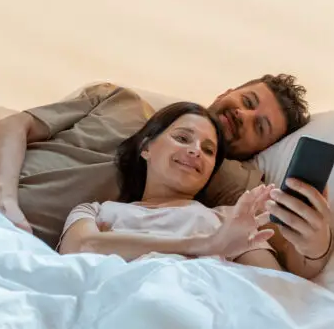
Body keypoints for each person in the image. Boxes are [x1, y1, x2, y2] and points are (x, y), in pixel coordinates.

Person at [0, 74, 334, 279]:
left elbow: (279, 258)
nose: (243, 115)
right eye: (247, 100)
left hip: (16, 257)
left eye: (260, 127)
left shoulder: (222, 183)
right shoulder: (119, 100)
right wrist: (1, 200)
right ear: (227, 91)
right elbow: (9, 127)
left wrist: (318, 245)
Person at [58, 101, 285, 271]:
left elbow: (275, 292)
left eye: (208, 150)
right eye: (183, 138)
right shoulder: (96, 211)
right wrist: (206, 244)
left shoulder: (229, 220)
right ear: (146, 148)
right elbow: (80, 248)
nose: (195, 151)